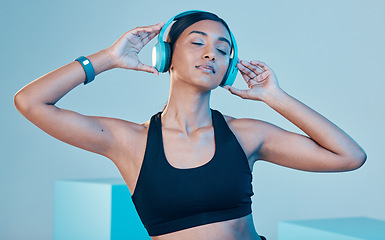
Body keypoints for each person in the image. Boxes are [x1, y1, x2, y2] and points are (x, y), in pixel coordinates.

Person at [14, 10, 366, 240]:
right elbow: (30, 102)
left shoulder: (246, 135)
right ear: (166, 54)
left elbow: (349, 156)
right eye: (197, 42)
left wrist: (275, 97)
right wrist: (107, 58)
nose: (210, 53)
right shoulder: (129, 141)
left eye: (223, 49)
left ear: (229, 66)